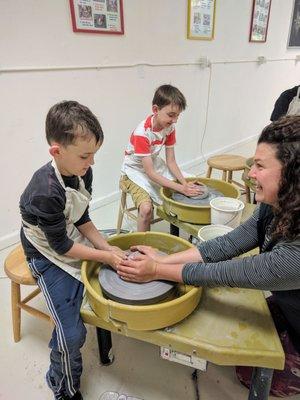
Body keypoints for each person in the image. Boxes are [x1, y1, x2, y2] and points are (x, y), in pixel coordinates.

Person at [117, 115, 300, 397]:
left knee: (248, 370)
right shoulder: (276, 203)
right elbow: (227, 245)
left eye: (260, 166)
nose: (250, 174)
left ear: (291, 174)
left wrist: (155, 271)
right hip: (289, 302)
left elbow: (231, 273)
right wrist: (163, 260)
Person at [19, 101, 124, 400]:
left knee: (113, 272)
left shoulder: (81, 171)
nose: (91, 162)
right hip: (45, 254)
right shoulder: (44, 191)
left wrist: (108, 247)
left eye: (94, 154)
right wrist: (106, 256)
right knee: (72, 334)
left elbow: (81, 218)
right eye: (85, 155)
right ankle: (62, 386)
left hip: (67, 233)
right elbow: (62, 246)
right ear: (56, 151)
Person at [120, 84, 203, 231]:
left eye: (177, 115)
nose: (175, 120)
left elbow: (171, 161)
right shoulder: (142, 134)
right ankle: (140, 248)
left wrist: (184, 183)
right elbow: (150, 174)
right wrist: (181, 188)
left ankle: (183, 232)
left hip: (153, 164)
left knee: (194, 183)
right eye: (171, 115)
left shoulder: (169, 128)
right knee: (146, 209)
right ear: (155, 110)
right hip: (134, 171)